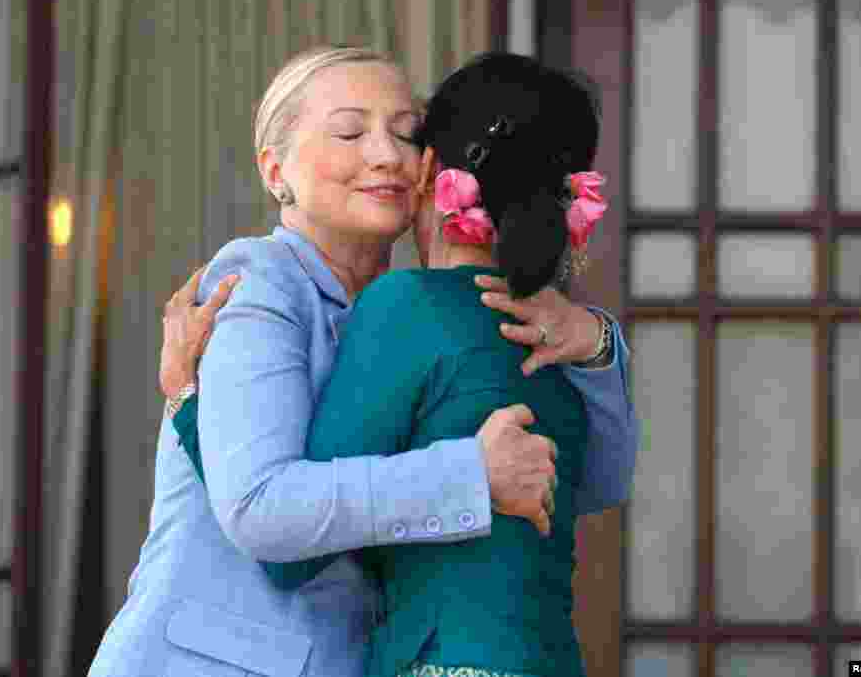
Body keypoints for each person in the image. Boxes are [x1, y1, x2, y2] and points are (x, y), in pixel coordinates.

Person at [88, 47, 636, 677]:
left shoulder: (429, 308)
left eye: (406, 134)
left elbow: (587, 482)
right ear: (275, 171)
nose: (386, 155)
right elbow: (262, 507)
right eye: (349, 131)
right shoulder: (258, 282)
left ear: (432, 169)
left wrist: (594, 341)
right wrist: (471, 477)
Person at [255, 51, 609, 677]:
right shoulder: (571, 341)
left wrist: (189, 397)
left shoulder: (408, 305)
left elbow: (292, 554)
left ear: (429, 172)